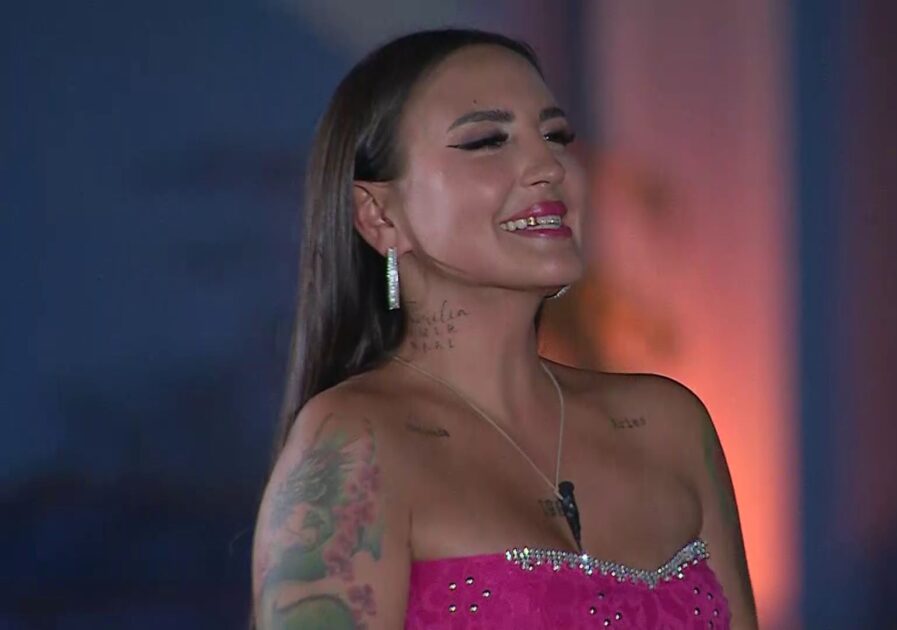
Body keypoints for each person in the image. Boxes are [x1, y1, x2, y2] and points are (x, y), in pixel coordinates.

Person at [251, 28, 759, 629]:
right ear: (379, 215)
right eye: (487, 141)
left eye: (556, 136)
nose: (548, 166)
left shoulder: (667, 425)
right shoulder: (356, 444)